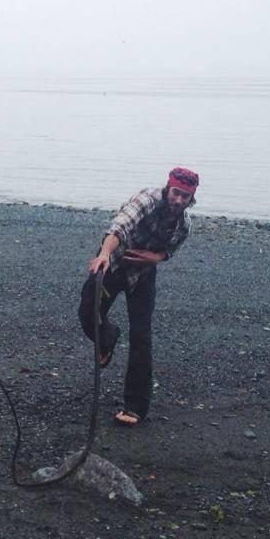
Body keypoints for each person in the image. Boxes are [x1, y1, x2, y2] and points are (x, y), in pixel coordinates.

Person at [78, 167, 200, 427]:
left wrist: (155, 258)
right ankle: (107, 339)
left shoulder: (184, 223)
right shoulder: (146, 200)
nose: (179, 200)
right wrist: (103, 254)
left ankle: (135, 407)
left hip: (142, 276)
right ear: (169, 188)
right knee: (88, 313)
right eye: (176, 193)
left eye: (185, 197)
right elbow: (119, 227)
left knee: (141, 337)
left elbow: (171, 248)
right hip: (112, 264)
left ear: (191, 199)